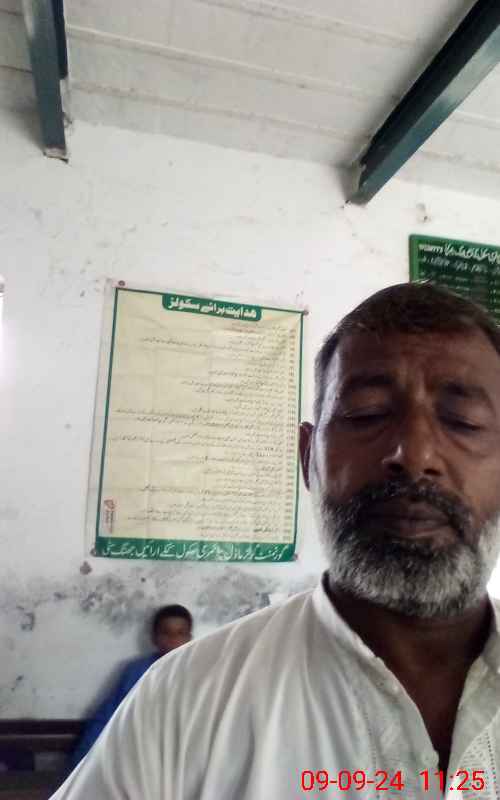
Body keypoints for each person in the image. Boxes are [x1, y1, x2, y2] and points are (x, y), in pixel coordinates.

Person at [52, 283, 500, 800]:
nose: (414, 453)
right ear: (307, 456)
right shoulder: (184, 701)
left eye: (463, 421)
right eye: (367, 413)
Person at [67, 604, 192, 770]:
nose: (173, 640)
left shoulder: (201, 673)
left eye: (180, 633)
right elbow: (107, 718)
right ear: (154, 638)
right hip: (141, 755)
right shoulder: (136, 672)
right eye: (166, 633)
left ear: (190, 638)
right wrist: (80, 765)